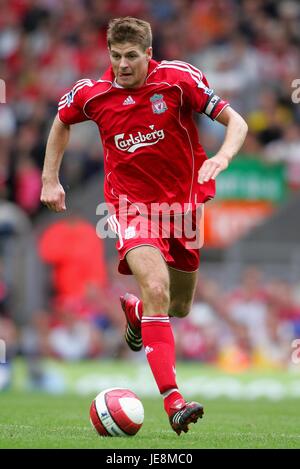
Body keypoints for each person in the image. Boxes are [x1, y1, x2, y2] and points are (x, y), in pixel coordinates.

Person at [40, 17, 248, 435]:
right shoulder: (93, 94)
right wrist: (50, 179)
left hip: (185, 210)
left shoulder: (177, 80)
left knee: (178, 307)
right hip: (130, 209)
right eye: (115, 57)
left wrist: (221, 158)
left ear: (148, 54)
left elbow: (237, 123)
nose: (122, 65)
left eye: (131, 56)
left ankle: (137, 316)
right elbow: (61, 121)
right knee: (155, 288)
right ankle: (173, 401)